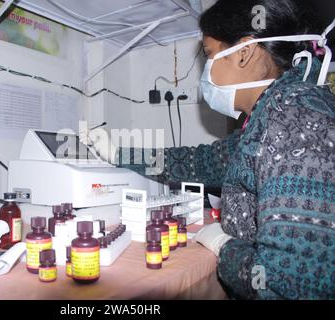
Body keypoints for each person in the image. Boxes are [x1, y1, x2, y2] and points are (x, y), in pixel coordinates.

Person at [80, 0, 335, 299]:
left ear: (244, 52)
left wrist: (224, 247)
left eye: (210, 55)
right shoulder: (270, 116)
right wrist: (119, 154)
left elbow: (284, 283)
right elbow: (198, 162)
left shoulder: (295, 121)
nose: (206, 72)